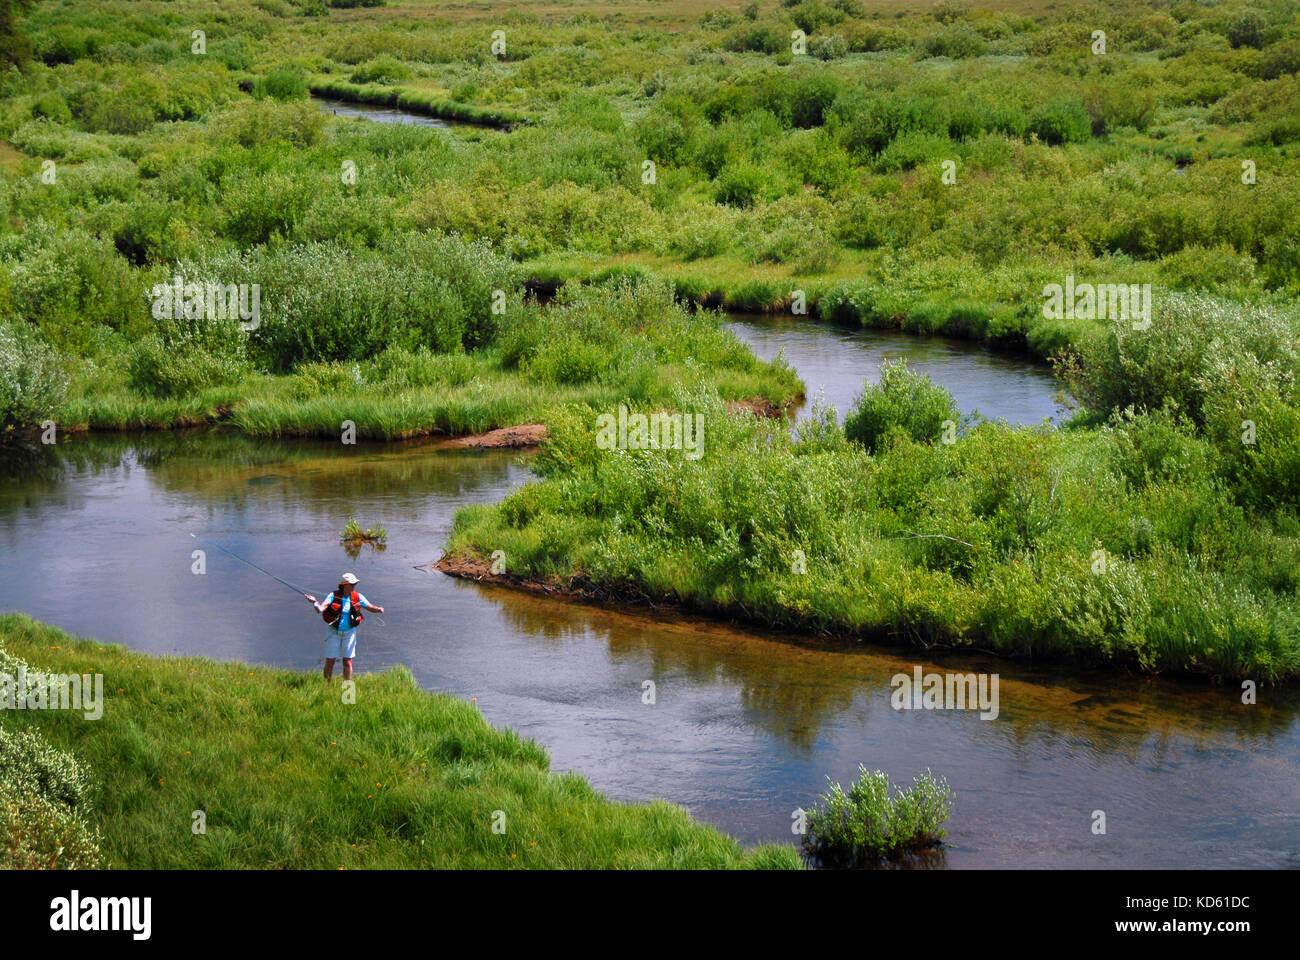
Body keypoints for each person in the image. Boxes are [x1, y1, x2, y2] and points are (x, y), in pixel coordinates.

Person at [305, 573, 383, 682]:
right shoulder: (332, 595)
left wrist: (378, 609)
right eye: (352, 583)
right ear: (344, 584)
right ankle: (327, 686)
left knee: (348, 661)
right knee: (330, 661)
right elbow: (321, 609)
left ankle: (347, 687)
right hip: (333, 632)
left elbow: (370, 607)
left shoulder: (358, 596)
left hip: (350, 633)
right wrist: (314, 602)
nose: (354, 585)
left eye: (355, 583)